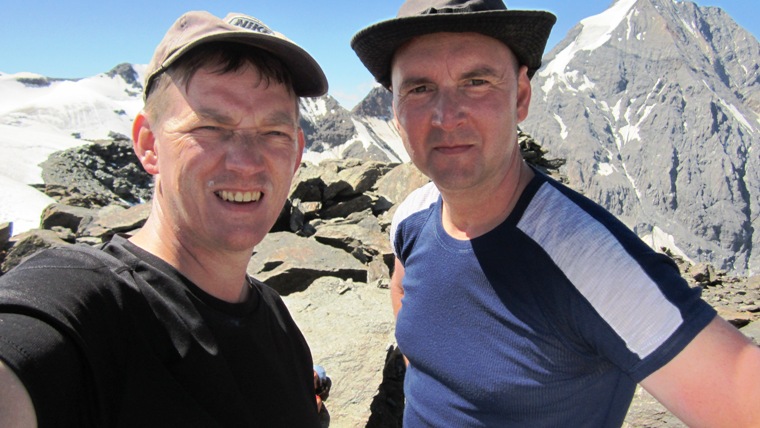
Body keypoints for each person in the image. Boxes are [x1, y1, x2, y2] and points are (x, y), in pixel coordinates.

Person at [351, 0, 760, 426]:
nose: (446, 116)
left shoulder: (589, 259)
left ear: (521, 97)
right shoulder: (412, 217)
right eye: (419, 88)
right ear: (395, 113)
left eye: (476, 81)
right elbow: (405, 291)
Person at [0, 11, 329, 427]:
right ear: (149, 143)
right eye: (210, 126)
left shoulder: (278, 324)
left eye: (273, 133)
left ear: (298, 152)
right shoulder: (87, 304)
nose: (246, 162)